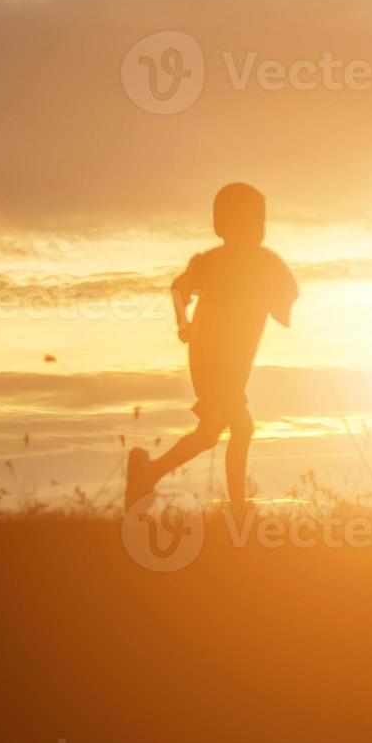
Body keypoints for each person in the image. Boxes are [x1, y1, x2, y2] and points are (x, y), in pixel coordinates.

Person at [125, 183, 297, 513]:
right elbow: (179, 289)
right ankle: (238, 510)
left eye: (259, 222)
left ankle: (148, 473)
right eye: (246, 222)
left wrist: (276, 302)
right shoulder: (212, 263)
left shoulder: (264, 263)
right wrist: (183, 324)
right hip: (212, 359)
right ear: (221, 226)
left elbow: (284, 296)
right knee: (242, 427)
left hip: (233, 362)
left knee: (208, 433)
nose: (255, 230)